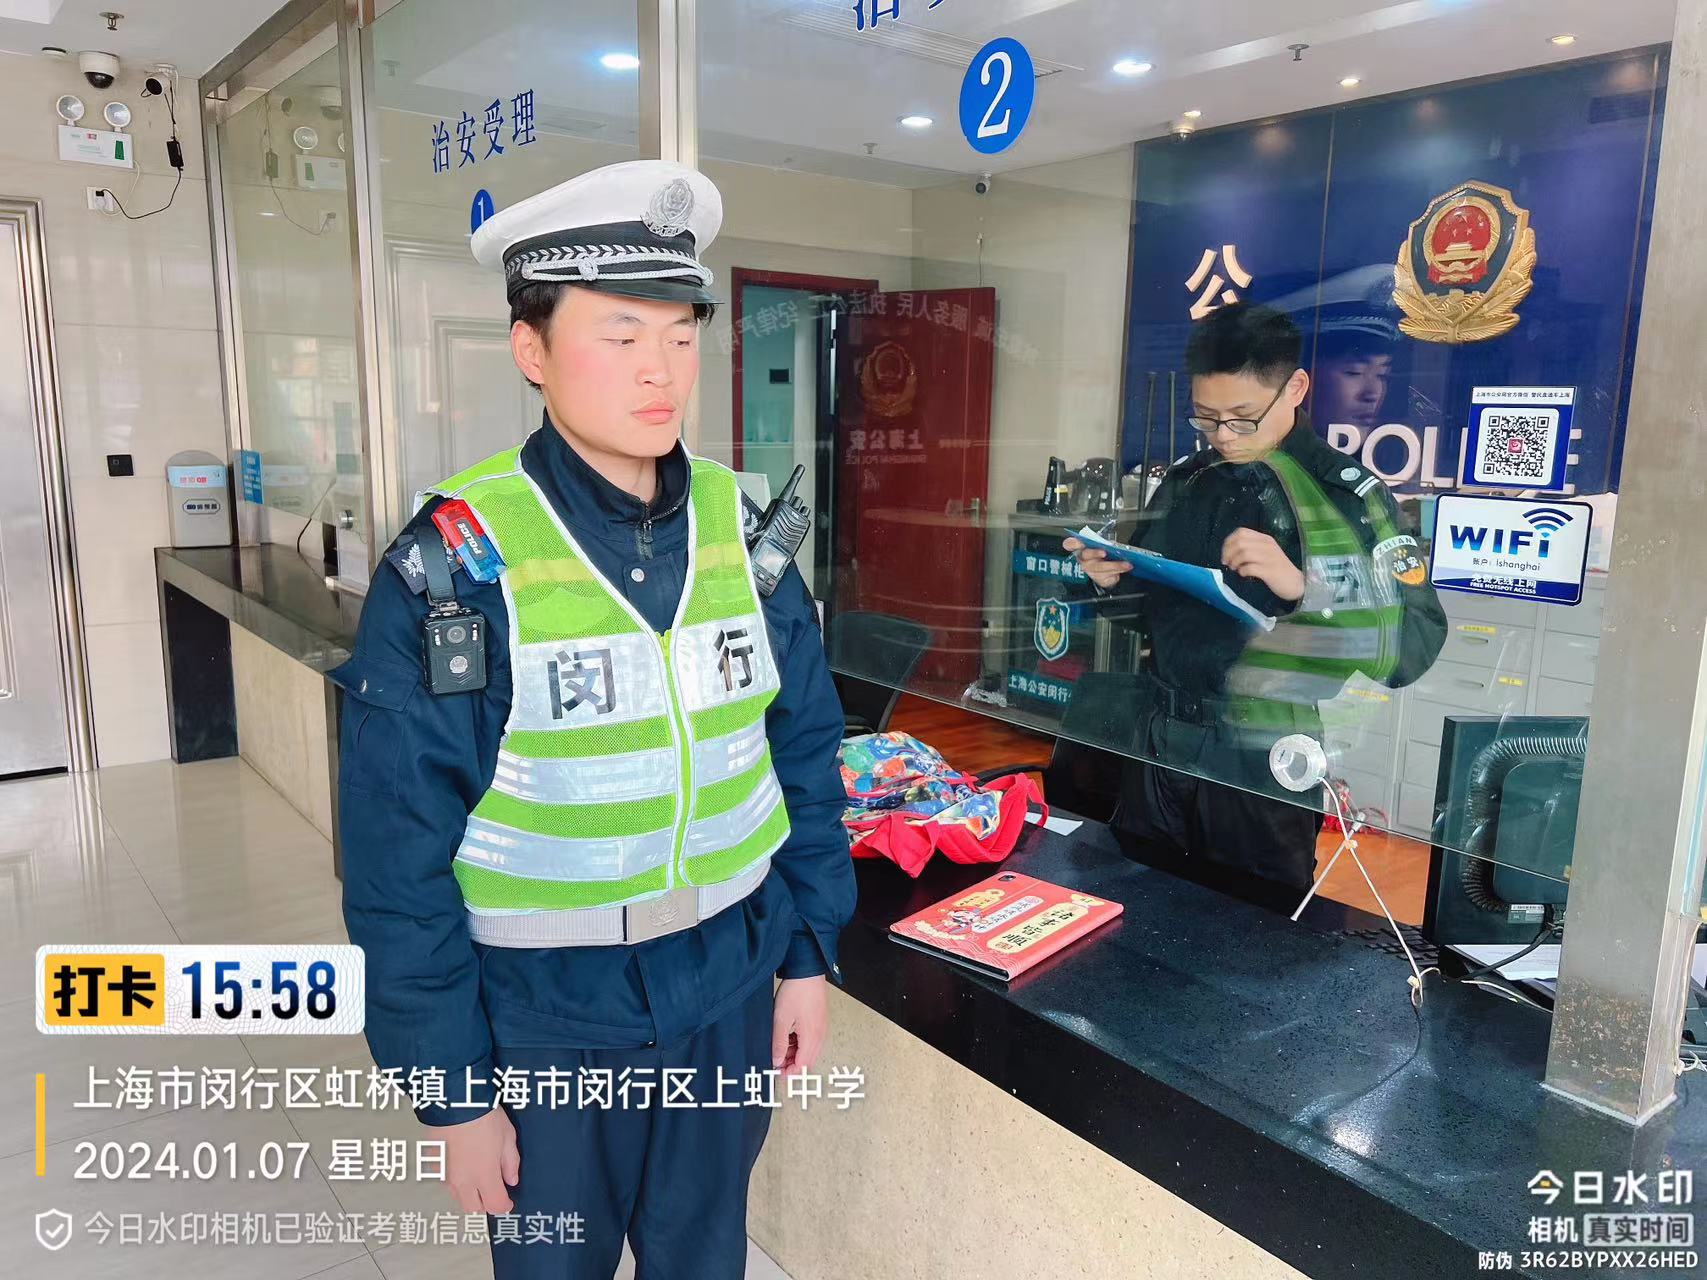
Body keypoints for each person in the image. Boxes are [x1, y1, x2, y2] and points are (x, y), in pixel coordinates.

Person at [330, 159, 855, 1280]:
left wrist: (808, 953)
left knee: (703, 1258)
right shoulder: (458, 568)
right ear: (532, 350)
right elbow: (395, 853)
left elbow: (802, 752)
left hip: (726, 989)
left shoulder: (744, 532)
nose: (661, 370)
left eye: (680, 334)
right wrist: (453, 1092)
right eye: (620, 335)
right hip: (544, 1019)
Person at [1065, 303, 1445, 895]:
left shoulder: (1348, 497)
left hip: (1261, 753)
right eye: (1206, 418)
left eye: (1243, 418)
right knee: (1134, 904)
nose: (1223, 436)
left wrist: (1305, 586)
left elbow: (1413, 646)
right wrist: (1111, 580)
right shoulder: (1190, 479)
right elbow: (1158, 611)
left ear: (1295, 388)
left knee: (1252, 923)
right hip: (1160, 737)